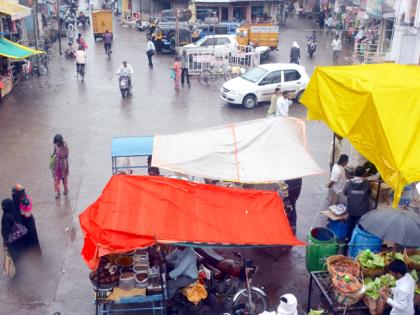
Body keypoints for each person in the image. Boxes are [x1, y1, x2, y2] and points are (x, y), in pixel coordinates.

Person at [344, 166, 371, 234]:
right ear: (364, 174)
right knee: (359, 228)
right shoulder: (367, 184)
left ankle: (348, 239)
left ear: (355, 173)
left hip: (351, 210)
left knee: (349, 227)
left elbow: (345, 193)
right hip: (362, 211)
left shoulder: (348, 183)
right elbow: (369, 193)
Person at [1, 198, 24, 271]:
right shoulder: (12, 214)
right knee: (18, 256)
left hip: (12, 242)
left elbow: (6, 232)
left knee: (14, 257)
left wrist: (5, 244)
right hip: (17, 239)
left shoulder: (5, 217)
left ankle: (18, 273)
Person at [51, 134, 69, 199]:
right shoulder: (55, 146)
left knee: (64, 179)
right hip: (56, 165)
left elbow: (66, 155)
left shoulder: (65, 146)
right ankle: (58, 193)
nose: (57, 143)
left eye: (58, 142)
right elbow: (54, 153)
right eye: (56, 142)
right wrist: (52, 162)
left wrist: (64, 162)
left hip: (63, 164)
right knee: (56, 179)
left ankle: (66, 189)